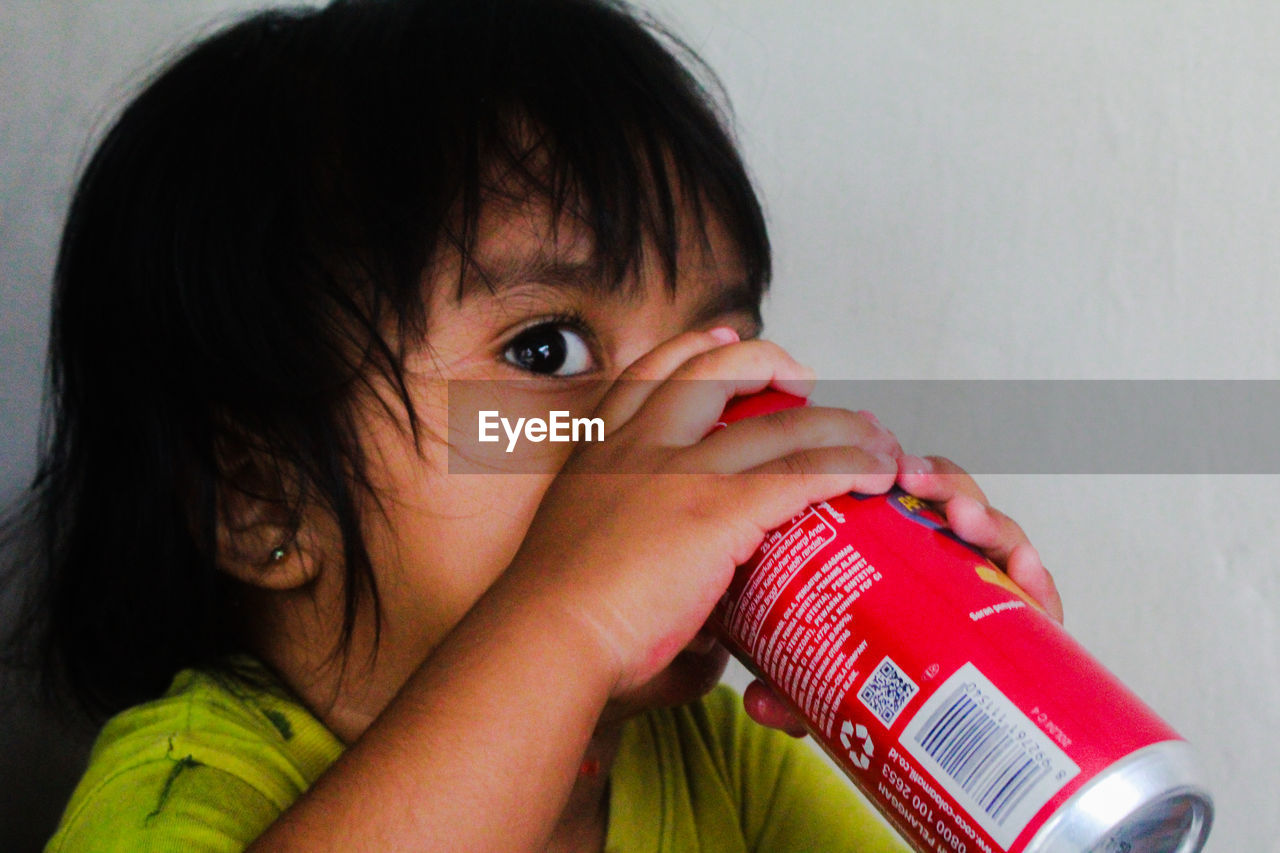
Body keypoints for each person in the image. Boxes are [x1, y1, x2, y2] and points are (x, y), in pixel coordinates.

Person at [4, 0, 1062, 849]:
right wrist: (573, 620)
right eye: (546, 350)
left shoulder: (721, 767)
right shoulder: (189, 782)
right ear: (259, 496)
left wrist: (989, 732)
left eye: (719, 351)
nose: (671, 427)